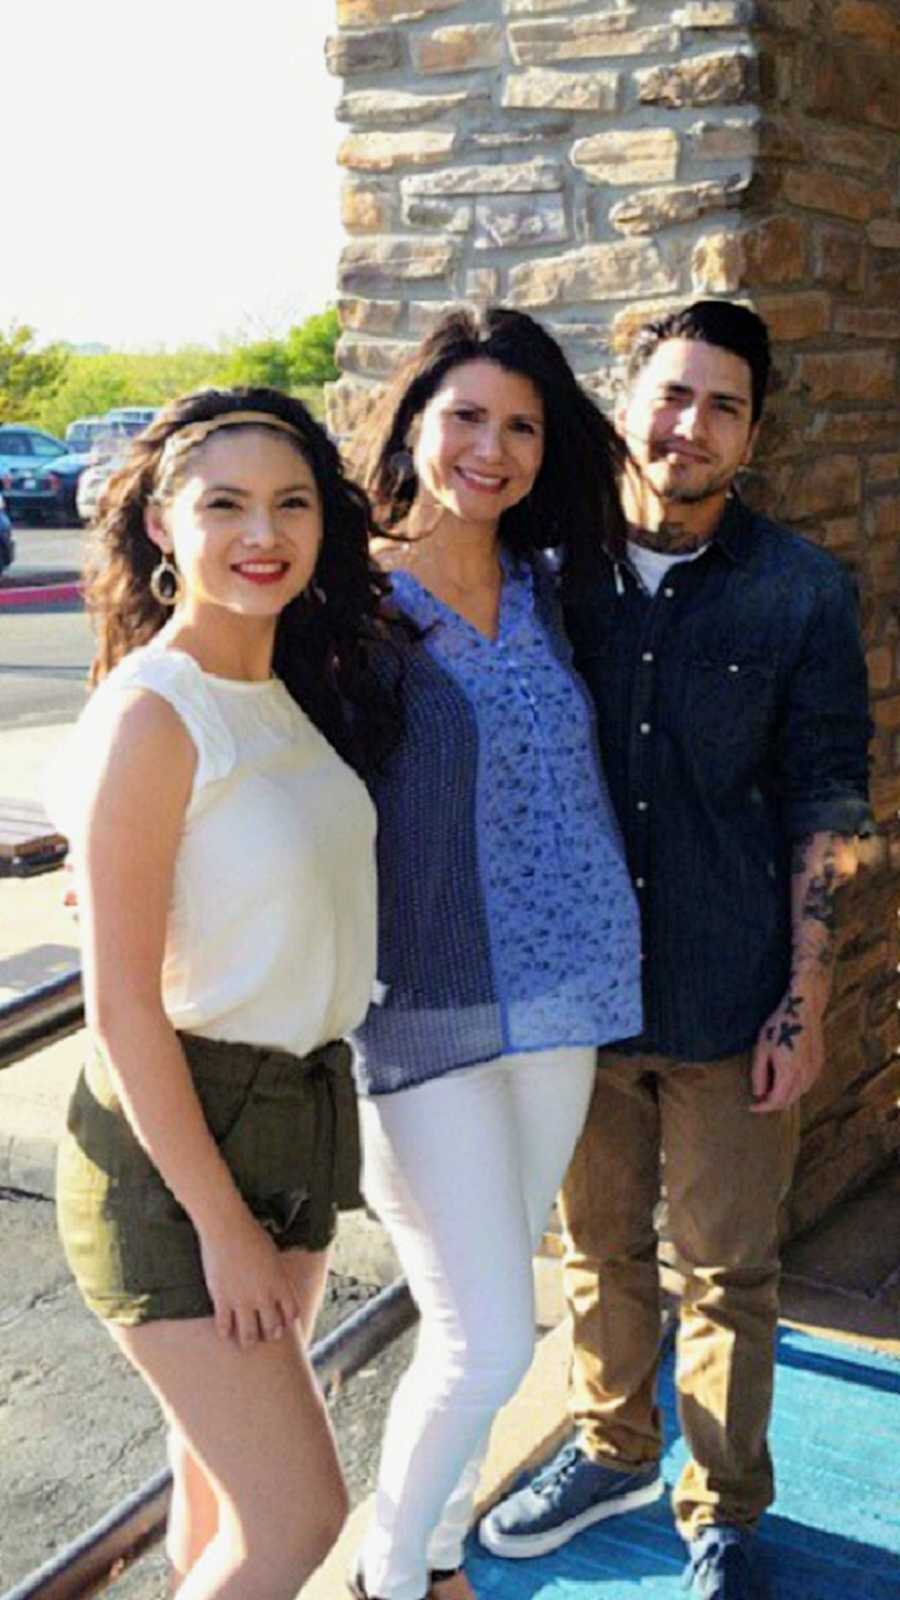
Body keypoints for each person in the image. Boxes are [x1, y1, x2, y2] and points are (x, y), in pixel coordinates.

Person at [478, 301, 873, 1599]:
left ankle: (721, 1514)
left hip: (729, 990)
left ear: (752, 432)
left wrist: (806, 996)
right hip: (580, 1002)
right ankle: (609, 1443)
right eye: (671, 394)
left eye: (721, 405)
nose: (687, 425)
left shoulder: (802, 593)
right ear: (627, 396)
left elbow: (827, 797)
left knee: (727, 1271)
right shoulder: (543, 573)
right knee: (593, 1250)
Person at [48, 388, 403, 1600]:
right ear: (162, 522)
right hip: (179, 1152)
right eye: (227, 505)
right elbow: (123, 1009)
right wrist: (224, 1226)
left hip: (294, 1117)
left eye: (292, 502)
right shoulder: (152, 712)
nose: (265, 531)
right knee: (301, 1515)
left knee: (218, 1489)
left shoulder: (283, 691)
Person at [347, 306, 643, 1600]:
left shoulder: (545, 587)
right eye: (467, 414)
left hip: (568, 986)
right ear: (414, 422)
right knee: (482, 1343)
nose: (494, 446)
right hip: (425, 1011)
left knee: (492, 1311)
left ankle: (441, 1550)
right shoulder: (343, 599)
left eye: (522, 425)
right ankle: (384, 1579)